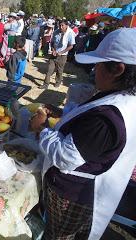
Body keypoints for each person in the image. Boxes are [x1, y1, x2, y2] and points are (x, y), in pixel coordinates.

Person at [31, 28, 136, 240]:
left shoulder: (108, 118)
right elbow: (87, 133)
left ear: (117, 69)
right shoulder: (122, 97)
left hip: (73, 196)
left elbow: (66, 157)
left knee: (58, 236)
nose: (94, 69)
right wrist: (63, 115)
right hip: (84, 190)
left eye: (98, 64)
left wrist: (41, 129)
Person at [39, 20, 75, 89]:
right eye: (59, 25)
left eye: (62, 25)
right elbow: (52, 42)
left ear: (66, 26)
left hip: (62, 56)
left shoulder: (70, 34)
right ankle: (46, 84)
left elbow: (71, 46)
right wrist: (53, 50)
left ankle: (58, 82)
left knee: (59, 70)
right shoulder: (56, 32)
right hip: (54, 54)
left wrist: (62, 52)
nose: (61, 27)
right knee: (49, 69)